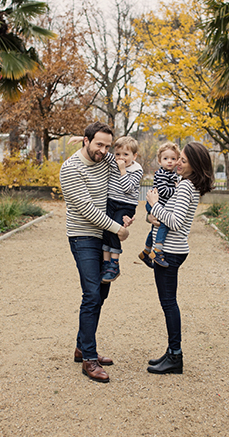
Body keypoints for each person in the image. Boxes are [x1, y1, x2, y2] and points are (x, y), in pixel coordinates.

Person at [59, 122, 131, 383]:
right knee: (91, 293)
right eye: (98, 144)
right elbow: (87, 209)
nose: (104, 150)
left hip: (104, 236)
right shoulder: (71, 169)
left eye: (107, 145)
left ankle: (82, 346)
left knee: (102, 291)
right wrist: (118, 230)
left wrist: (123, 219)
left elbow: (128, 163)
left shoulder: (106, 159)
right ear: (86, 142)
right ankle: (89, 358)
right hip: (83, 236)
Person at [145, 142, 214, 375]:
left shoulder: (186, 186)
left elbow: (174, 222)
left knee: (169, 304)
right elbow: (170, 217)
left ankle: (175, 356)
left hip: (170, 251)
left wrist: (154, 205)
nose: (177, 163)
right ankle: (171, 352)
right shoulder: (185, 184)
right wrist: (153, 216)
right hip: (172, 249)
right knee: (169, 303)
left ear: (194, 164)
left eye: (183, 160)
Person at [101, 136, 143, 283]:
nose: (121, 157)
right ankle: (106, 263)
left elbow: (127, 188)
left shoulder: (137, 170)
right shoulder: (114, 161)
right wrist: (85, 139)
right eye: (118, 154)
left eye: (126, 154)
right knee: (105, 228)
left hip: (126, 205)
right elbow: (102, 153)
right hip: (111, 201)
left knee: (115, 228)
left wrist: (122, 170)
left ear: (134, 156)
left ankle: (115, 263)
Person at [138, 143, 180, 269]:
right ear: (159, 161)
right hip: (154, 204)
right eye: (165, 159)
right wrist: (176, 190)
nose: (169, 162)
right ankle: (157, 250)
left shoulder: (173, 174)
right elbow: (163, 191)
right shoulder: (161, 174)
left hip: (159, 205)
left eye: (173, 159)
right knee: (164, 223)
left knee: (154, 229)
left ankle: (146, 252)